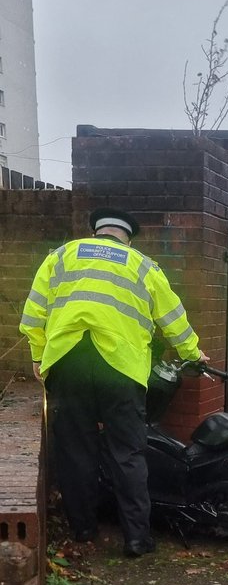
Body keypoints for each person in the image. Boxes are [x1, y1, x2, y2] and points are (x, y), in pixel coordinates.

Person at [19, 207, 209, 557]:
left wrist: (37, 355)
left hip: (68, 363)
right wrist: (193, 353)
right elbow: (172, 317)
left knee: (75, 451)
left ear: (96, 232)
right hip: (121, 369)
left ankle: (83, 529)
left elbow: (34, 313)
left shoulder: (60, 257)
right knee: (129, 454)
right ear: (126, 237)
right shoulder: (142, 265)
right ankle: (137, 537)